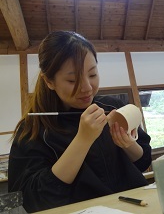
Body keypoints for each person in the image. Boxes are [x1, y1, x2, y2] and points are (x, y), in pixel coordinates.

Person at [8, 31, 152, 213]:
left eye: (92, 75)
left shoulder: (112, 107)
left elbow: (143, 160)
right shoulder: (34, 128)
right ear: (49, 81)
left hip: (136, 206)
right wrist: (83, 140)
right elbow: (33, 200)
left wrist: (128, 145)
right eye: (72, 79)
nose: (86, 87)